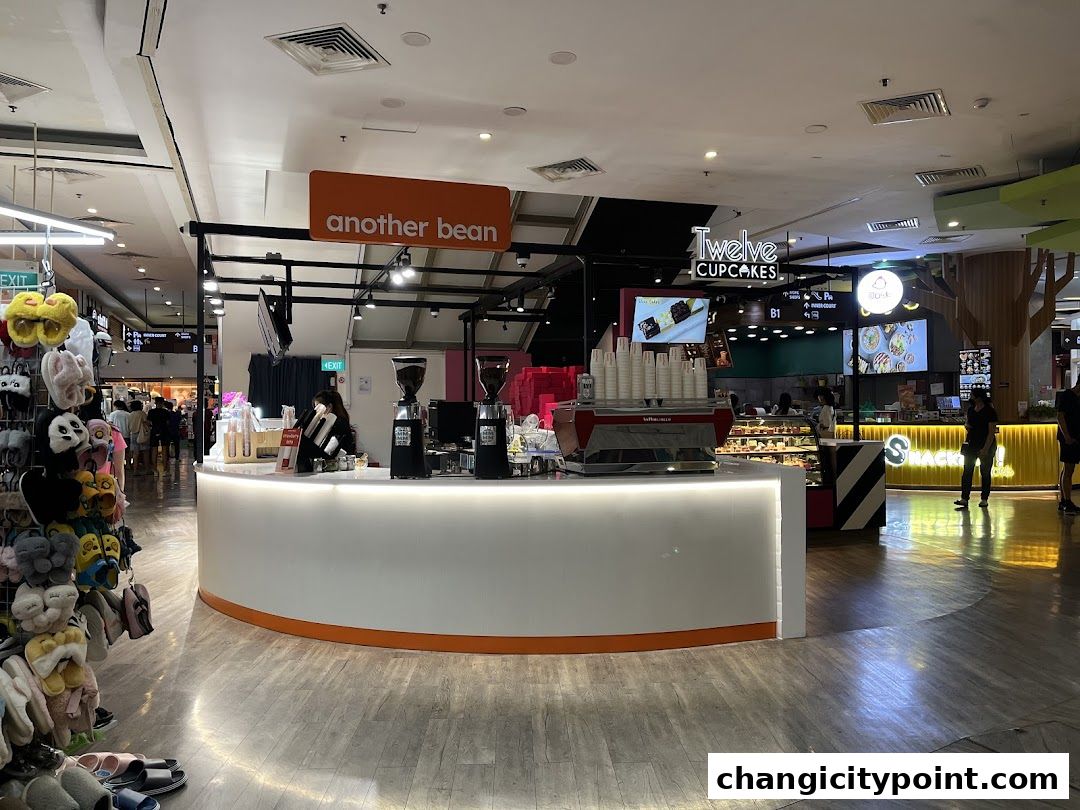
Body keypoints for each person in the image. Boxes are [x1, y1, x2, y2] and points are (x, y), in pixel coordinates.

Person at [955, 388, 998, 510]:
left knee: (985, 472)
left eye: (972, 394)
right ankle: (964, 498)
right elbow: (968, 425)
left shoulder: (990, 411)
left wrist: (985, 448)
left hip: (986, 444)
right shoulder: (970, 410)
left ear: (978, 397)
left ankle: (984, 498)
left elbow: (991, 432)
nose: (970, 396)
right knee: (967, 471)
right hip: (971, 444)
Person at [1056, 376, 1080, 513]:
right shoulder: (1067, 396)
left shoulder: (1077, 398)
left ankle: (1064, 500)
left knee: (1067, 468)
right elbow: (1060, 416)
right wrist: (1067, 437)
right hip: (1068, 438)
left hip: (1075, 438)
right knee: (1069, 468)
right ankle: (1067, 501)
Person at [312, 389, 356, 455]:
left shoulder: (339, 423)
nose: (316, 411)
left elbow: (330, 448)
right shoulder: (338, 421)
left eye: (318, 407)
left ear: (329, 407)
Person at [146, 397, 170, 469]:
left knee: (154, 449)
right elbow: (168, 422)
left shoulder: (151, 412)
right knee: (164, 449)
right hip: (164, 430)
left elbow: (148, 422)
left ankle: (154, 468)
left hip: (154, 430)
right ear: (163, 403)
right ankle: (165, 468)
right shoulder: (166, 412)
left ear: (155, 403)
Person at [128, 400, 150, 474]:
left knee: (135, 453)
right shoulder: (142, 413)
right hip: (142, 434)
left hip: (133, 434)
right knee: (145, 452)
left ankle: (135, 470)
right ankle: (147, 470)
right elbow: (146, 422)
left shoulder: (130, 414)